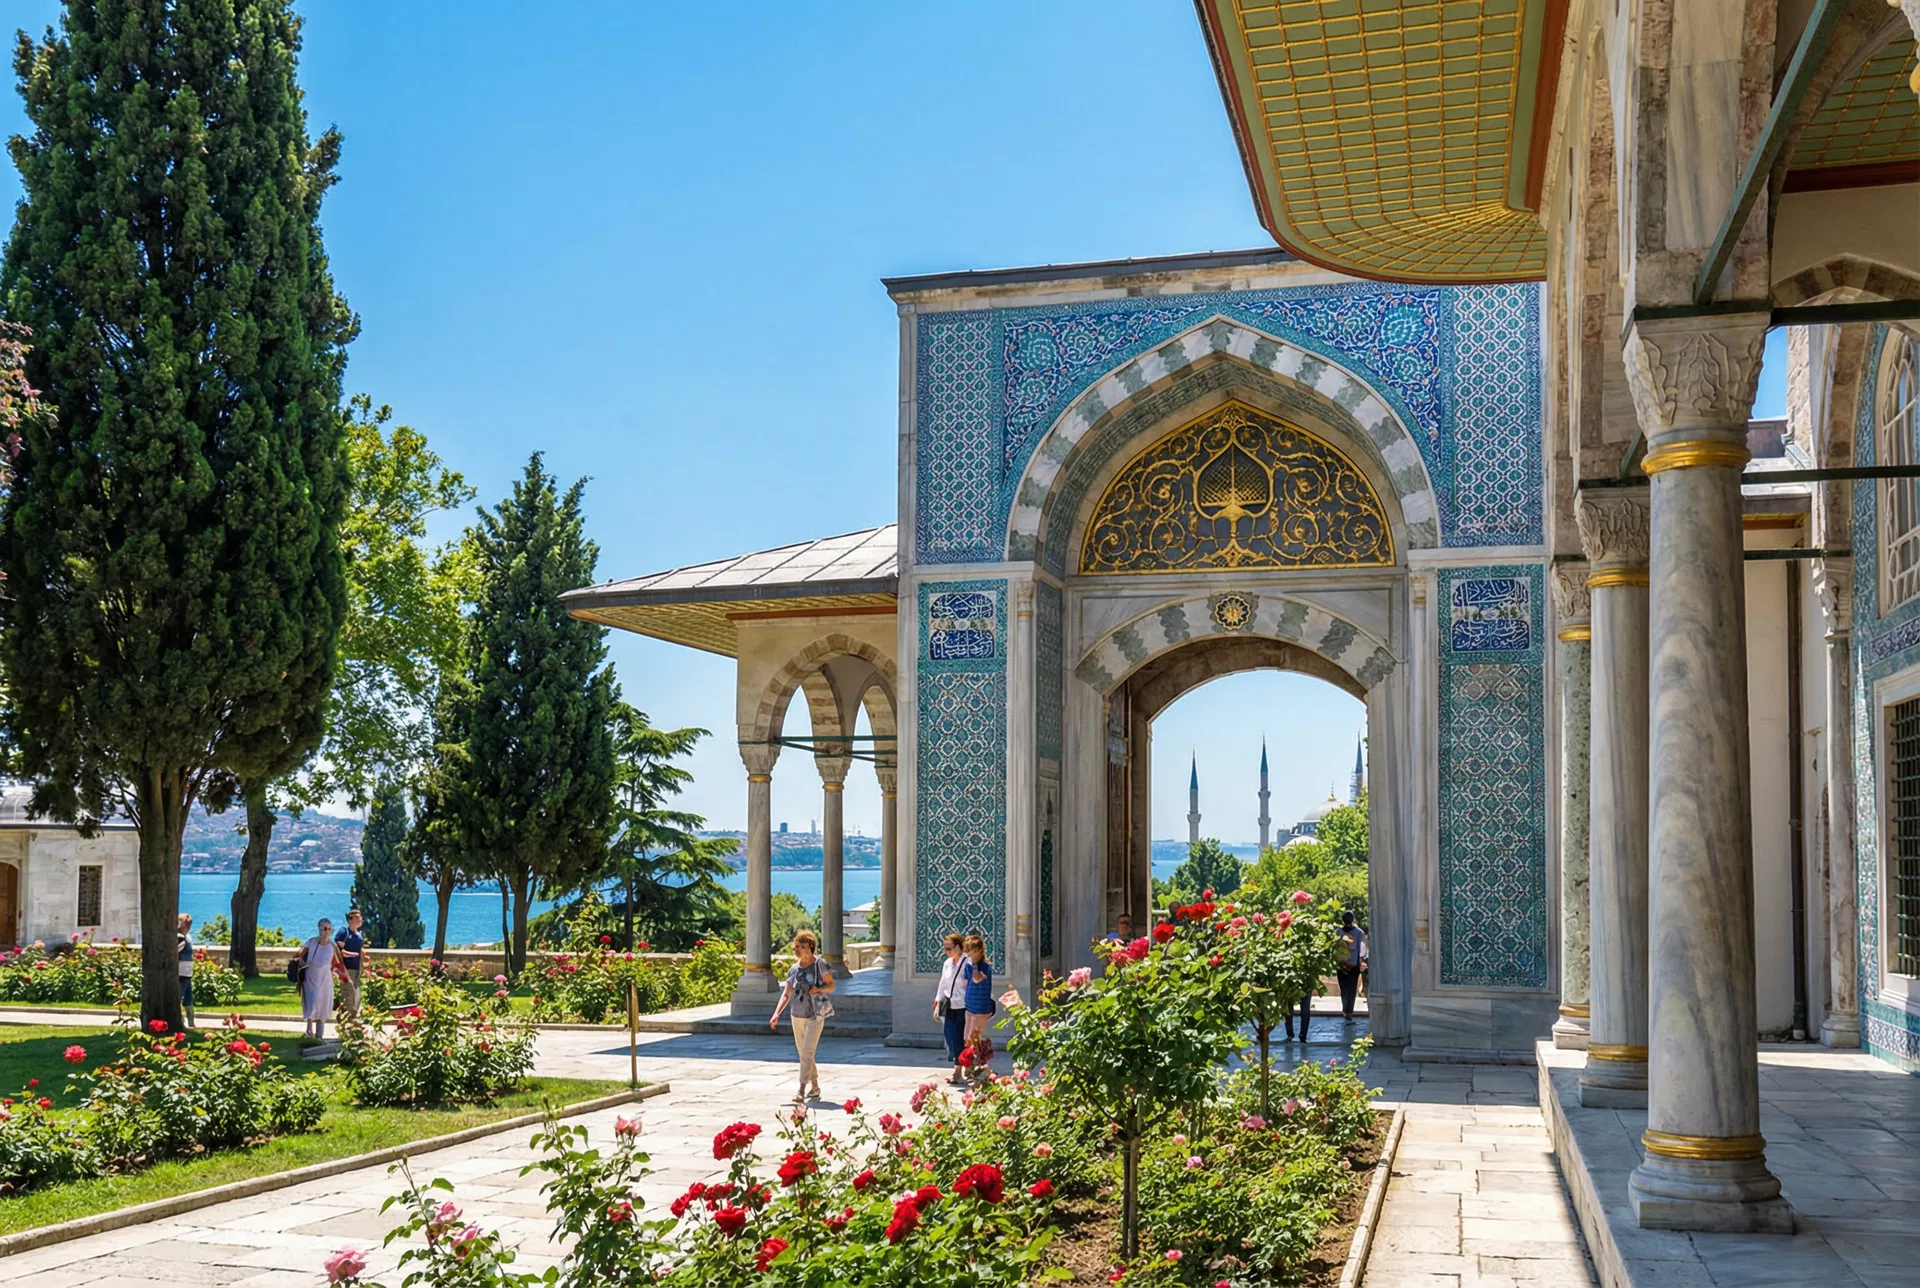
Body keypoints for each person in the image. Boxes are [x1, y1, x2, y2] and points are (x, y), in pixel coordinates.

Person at [770, 929, 836, 1104]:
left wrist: (819, 989)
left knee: (807, 1051)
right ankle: (815, 1087)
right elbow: (786, 993)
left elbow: (831, 986)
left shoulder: (820, 965)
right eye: (796, 946)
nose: (798, 950)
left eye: (802, 946)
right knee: (804, 1053)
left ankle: (801, 1089)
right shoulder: (794, 969)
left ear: (811, 947)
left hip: (815, 1013)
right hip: (796, 1014)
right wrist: (777, 1013)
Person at [297, 917, 349, 1041]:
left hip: (325, 979)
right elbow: (299, 955)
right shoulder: (311, 942)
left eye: (329, 929)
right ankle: (309, 1029)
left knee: (323, 1004)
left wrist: (341, 975)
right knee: (311, 1001)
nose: (327, 931)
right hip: (311, 977)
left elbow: (337, 963)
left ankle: (319, 1035)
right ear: (319, 929)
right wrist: (302, 963)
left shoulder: (332, 945)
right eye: (324, 929)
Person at [933, 932, 969, 1084]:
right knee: (950, 1037)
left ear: (959, 947)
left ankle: (958, 1071)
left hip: (963, 1005)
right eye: (945, 948)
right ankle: (959, 1067)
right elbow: (943, 984)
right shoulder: (947, 963)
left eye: (949, 948)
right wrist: (937, 1003)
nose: (946, 951)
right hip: (949, 1005)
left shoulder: (967, 963)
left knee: (960, 1038)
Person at [961, 934, 994, 1066]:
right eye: (968, 950)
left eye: (971, 950)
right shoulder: (968, 966)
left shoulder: (984, 966)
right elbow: (966, 982)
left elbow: (976, 979)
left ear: (979, 950)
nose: (969, 953)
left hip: (981, 1008)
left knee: (973, 1039)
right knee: (967, 1039)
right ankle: (976, 1066)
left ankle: (978, 1067)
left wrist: (974, 965)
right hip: (970, 1005)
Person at [334, 908, 366, 1021]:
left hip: (357, 969)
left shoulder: (359, 935)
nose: (360, 919)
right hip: (347, 970)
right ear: (350, 920)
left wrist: (364, 962)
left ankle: (351, 1021)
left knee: (356, 997)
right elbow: (337, 950)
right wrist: (349, 954)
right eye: (357, 917)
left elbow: (360, 950)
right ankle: (346, 1022)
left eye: (360, 917)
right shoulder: (344, 932)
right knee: (348, 996)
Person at [1335, 910, 1367, 1020]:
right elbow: (1363, 950)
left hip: (1341, 965)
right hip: (1354, 966)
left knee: (1343, 988)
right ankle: (1349, 1012)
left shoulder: (1338, 932)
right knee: (1352, 989)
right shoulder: (1359, 933)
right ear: (1353, 920)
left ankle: (1345, 1010)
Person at [176, 914, 197, 1029]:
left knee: (188, 999)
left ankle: (191, 1022)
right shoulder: (179, 936)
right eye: (186, 923)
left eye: (189, 924)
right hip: (181, 972)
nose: (188, 926)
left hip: (187, 972)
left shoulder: (188, 937)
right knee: (178, 997)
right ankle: (179, 1020)